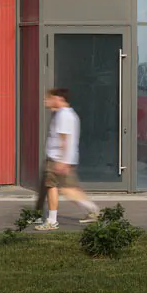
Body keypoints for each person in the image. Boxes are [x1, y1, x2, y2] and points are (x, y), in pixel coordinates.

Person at [34, 87, 100, 231]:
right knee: (68, 189)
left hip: (57, 159)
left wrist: (62, 161)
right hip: (62, 159)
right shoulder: (68, 114)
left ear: (59, 98)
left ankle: (52, 221)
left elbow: (64, 139)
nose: (46, 101)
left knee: (53, 187)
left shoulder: (63, 115)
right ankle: (93, 210)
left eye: (49, 98)